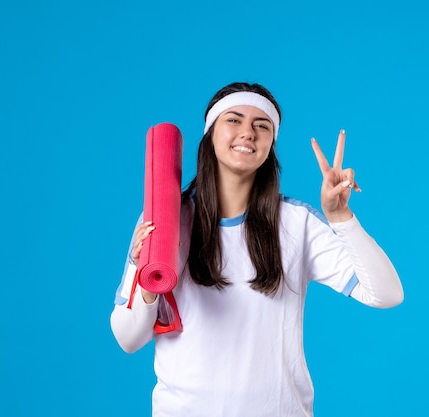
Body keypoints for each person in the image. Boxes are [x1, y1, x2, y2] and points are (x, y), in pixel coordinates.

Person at [110, 82, 404, 417]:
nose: (248, 132)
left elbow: (387, 294)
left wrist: (341, 218)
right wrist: (143, 272)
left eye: (261, 126)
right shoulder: (166, 219)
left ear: (270, 147)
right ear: (210, 136)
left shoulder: (297, 223)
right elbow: (128, 339)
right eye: (233, 120)